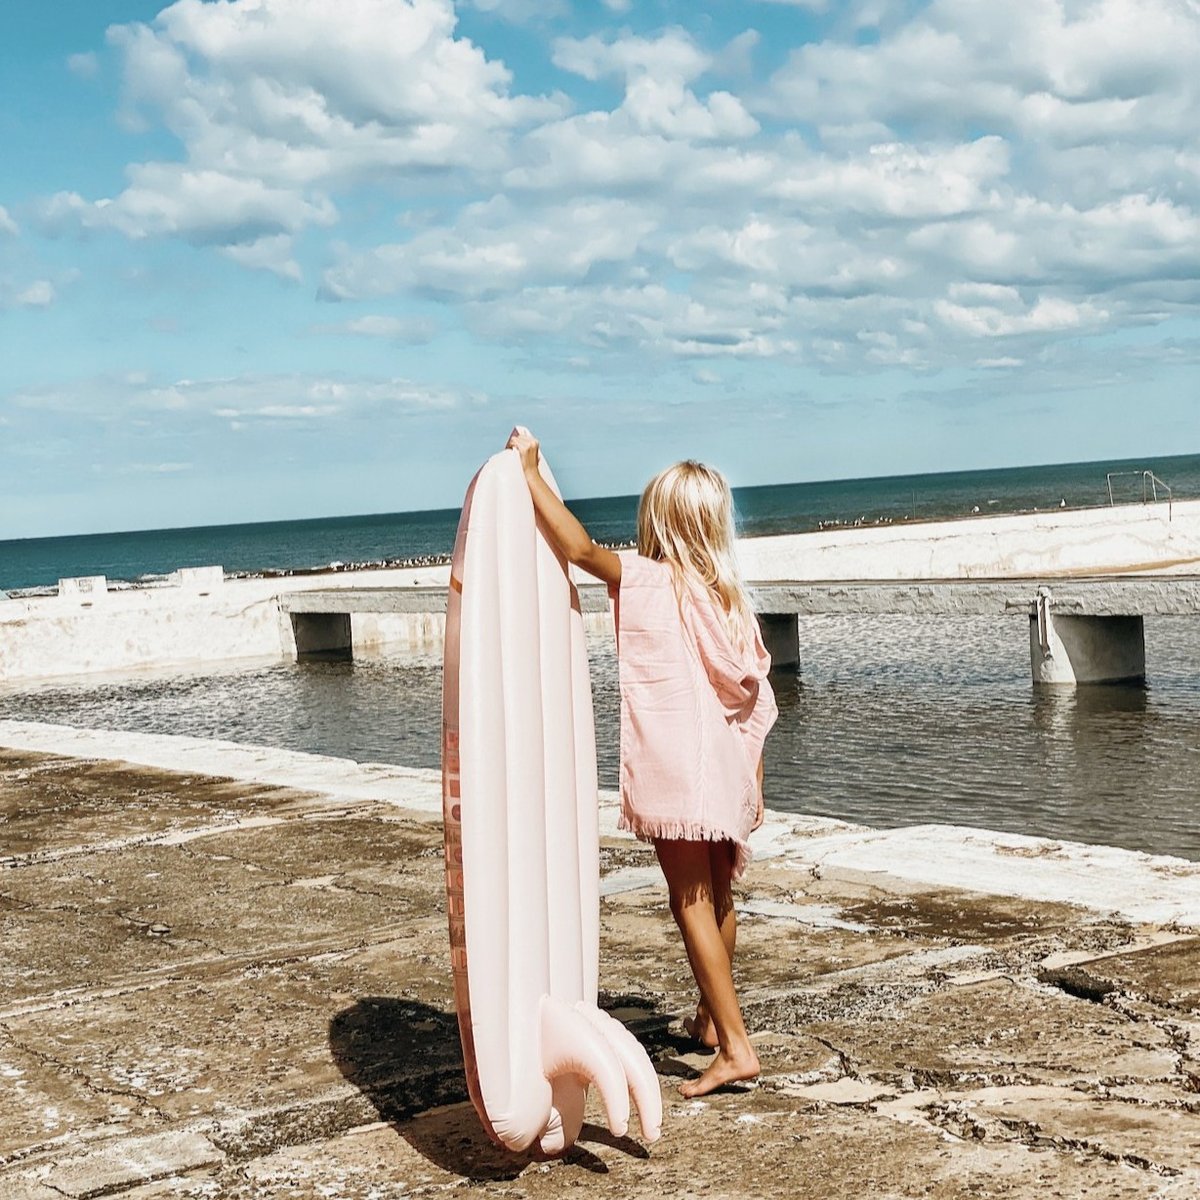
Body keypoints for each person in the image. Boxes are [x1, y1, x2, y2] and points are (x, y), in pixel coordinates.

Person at [506, 429, 778, 1098]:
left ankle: (737, 1047)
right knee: (717, 894)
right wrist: (755, 781)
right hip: (725, 764)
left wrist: (531, 473)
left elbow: (575, 548)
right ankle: (712, 1023)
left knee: (688, 900)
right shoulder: (726, 596)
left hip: (679, 765)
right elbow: (754, 695)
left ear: (660, 520)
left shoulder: (650, 578)